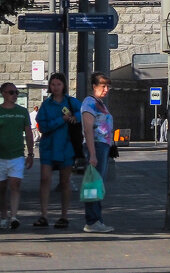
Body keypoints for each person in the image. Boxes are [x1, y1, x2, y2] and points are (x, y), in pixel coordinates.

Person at [34, 73, 80, 229]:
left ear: (64, 85)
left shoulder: (71, 102)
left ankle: (64, 216)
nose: (55, 87)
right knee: (44, 180)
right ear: (49, 86)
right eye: (53, 84)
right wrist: (62, 120)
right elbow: (43, 126)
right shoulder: (46, 105)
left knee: (64, 182)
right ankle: (44, 215)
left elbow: (85, 113)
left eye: (58, 84)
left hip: (66, 147)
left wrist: (76, 118)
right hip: (48, 147)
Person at [80, 72, 116, 232]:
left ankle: (96, 219)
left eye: (108, 86)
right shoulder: (89, 103)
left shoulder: (100, 103)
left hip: (103, 146)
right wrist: (92, 154)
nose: (106, 89)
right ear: (94, 86)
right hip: (95, 146)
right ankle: (92, 220)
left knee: (96, 184)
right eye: (103, 86)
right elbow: (88, 129)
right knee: (93, 184)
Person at [1, 82, 36, 230]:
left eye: (16, 92)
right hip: (0, 156)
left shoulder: (22, 112)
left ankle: (14, 216)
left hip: (17, 155)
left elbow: (28, 133)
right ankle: (3, 216)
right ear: (3, 93)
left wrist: (30, 153)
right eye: (11, 92)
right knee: (1, 189)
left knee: (15, 185)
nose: (14, 95)